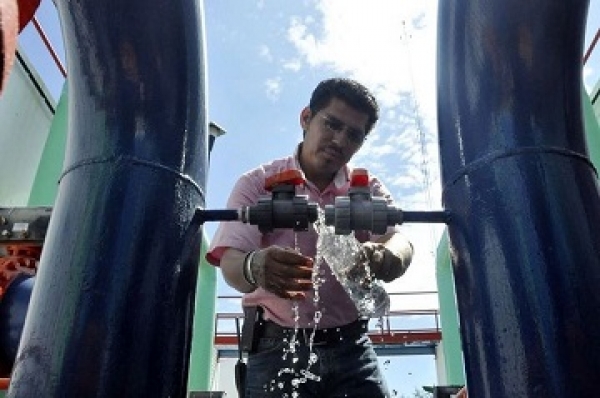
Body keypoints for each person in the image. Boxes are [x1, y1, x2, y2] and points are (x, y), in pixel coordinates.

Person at [207, 77, 414, 398]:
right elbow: (231, 262)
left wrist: (386, 256)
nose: (340, 140)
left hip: (353, 347)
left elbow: (399, 240)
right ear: (306, 118)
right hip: (276, 348)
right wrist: (253, 266)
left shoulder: (367, 188)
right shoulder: (257, 183)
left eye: (354, 135)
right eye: (331, 124)